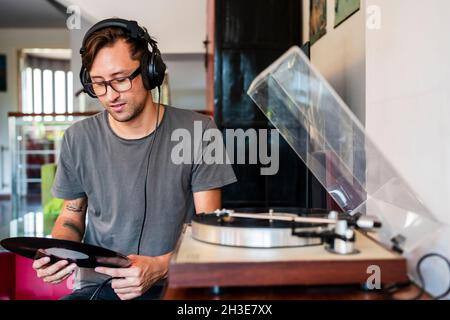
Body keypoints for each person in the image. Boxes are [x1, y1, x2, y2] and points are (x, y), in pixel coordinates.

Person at [31, 18, 237, 300]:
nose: (110, 95)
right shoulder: (77, 138)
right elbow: (72, 215)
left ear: (151, 72)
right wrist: (61, 252)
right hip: (99, 287)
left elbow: (208, 229)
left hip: (174, 285)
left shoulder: (200, 132)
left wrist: (160, 267)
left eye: (120, 80)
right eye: (99, 84)